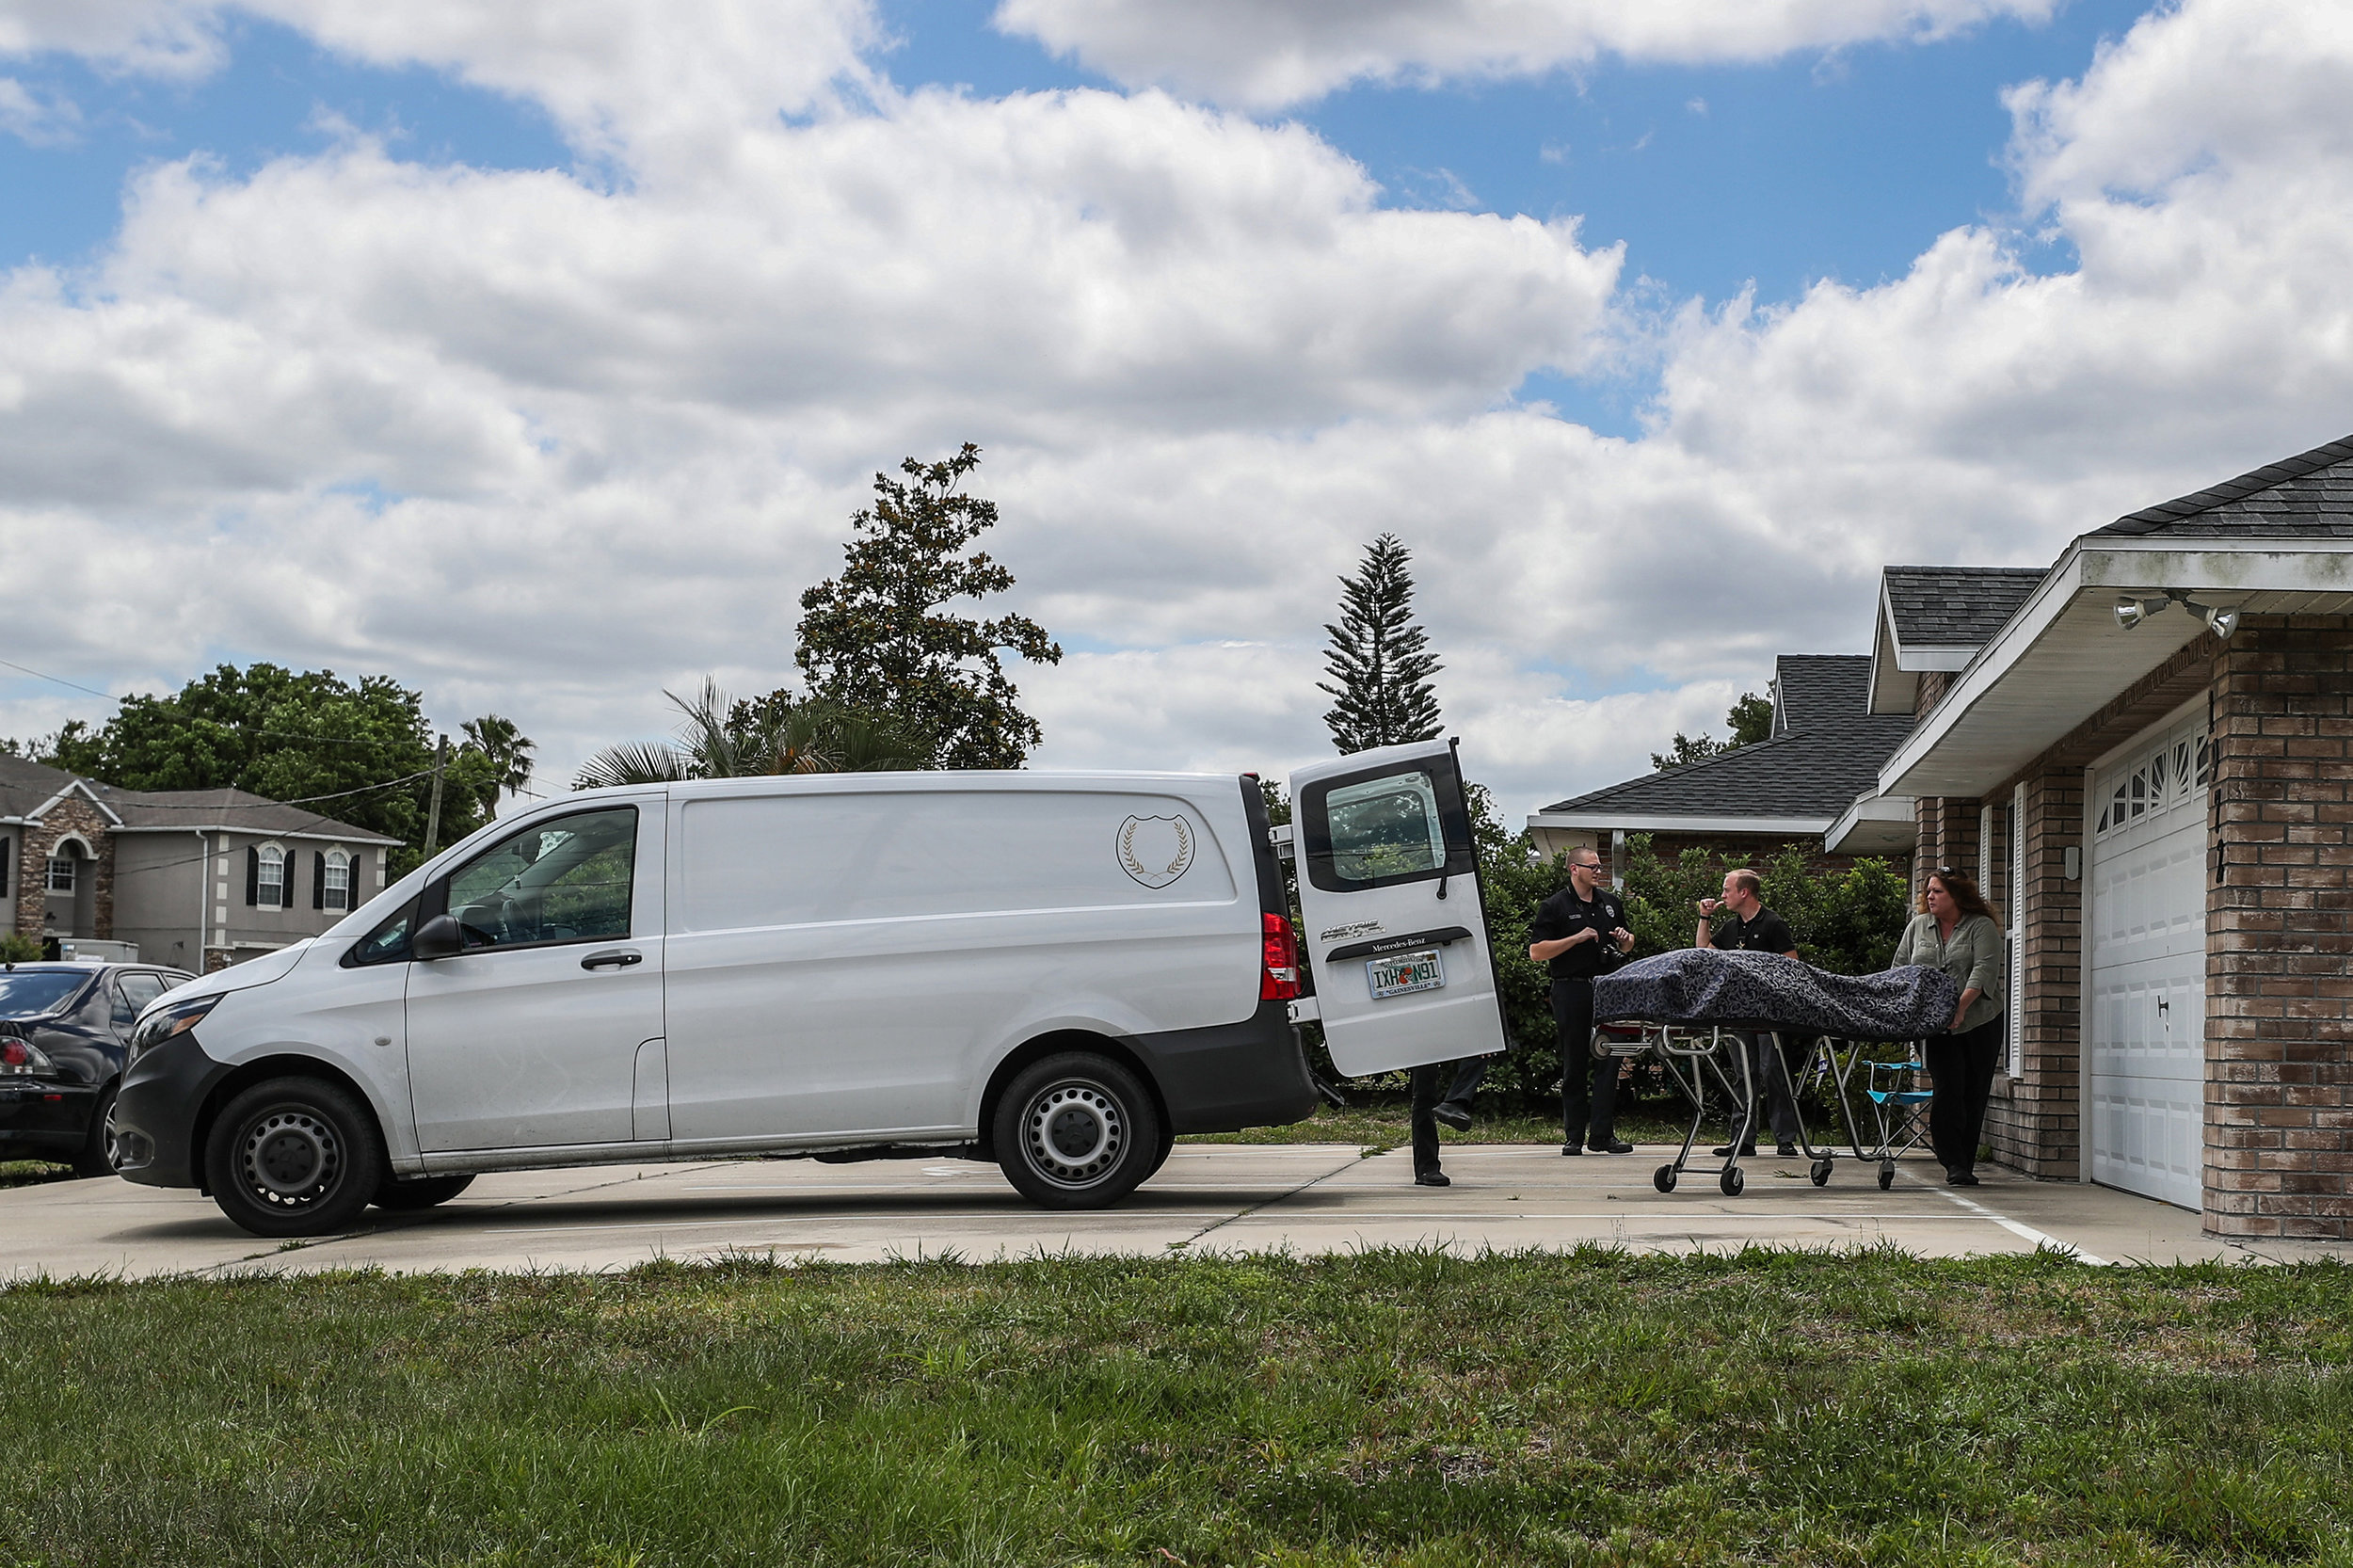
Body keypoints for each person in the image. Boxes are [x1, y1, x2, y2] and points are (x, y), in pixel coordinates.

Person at [1893, 866, 2007, 1186]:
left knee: (1972, 1091)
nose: (1930, 896)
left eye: (1938, 891)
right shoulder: (1917, 927)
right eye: (1928, 891)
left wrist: (1960, 1007)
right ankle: (1952, 1161)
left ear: (1957, 895)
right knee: (1948, 1088)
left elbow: (1984, 970)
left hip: (1979, 1021)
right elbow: (1900, 968)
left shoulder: (1980, 927)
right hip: (1933, 1026)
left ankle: (1964, 1164)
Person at [1529, 845, 1638, 1156]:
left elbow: (1626, 945)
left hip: (1607, 988)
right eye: (1593, 867)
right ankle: (1573, 1135)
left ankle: (1602, 1134)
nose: (1598, 873)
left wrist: (1627, 942)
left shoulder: (1611, 904)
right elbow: (1537, 952)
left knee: (1609, 1060)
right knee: (1574, 1062)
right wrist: (1575, 938)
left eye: (1600, 868)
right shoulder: (1555, 906)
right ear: (1574, 869)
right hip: (1571, 989)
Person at [1695, 868, 1803, 1159]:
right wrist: (1705, 917)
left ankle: (1785, 1139)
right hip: (1739, 1013)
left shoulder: (1772, 924)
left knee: (1772, 1072)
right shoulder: (1731, 927)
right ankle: (1743, 1139)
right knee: (1744, 1074)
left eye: (1726, 890)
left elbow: (1792, 966)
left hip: (1769, 1015)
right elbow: (1704, 951)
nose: (1722, 895)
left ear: (1744, 892)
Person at [1407, 1056, 1488, 1188]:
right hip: (1419, 1038)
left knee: (1481, 1052)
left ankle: (1455, 1102)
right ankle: (1427, 1169)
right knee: (1424, 1094)